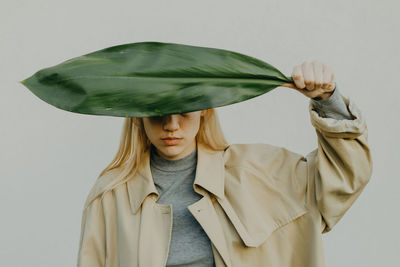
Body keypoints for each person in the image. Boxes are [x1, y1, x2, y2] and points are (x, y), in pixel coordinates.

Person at [76, 61, 372, 267]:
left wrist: (327, 100)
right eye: (157, 112)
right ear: (138, 115)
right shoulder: (110, 197)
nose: (172, 125)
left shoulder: (259, 172)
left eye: (185, 111)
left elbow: (343, 177)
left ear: (205, 110)